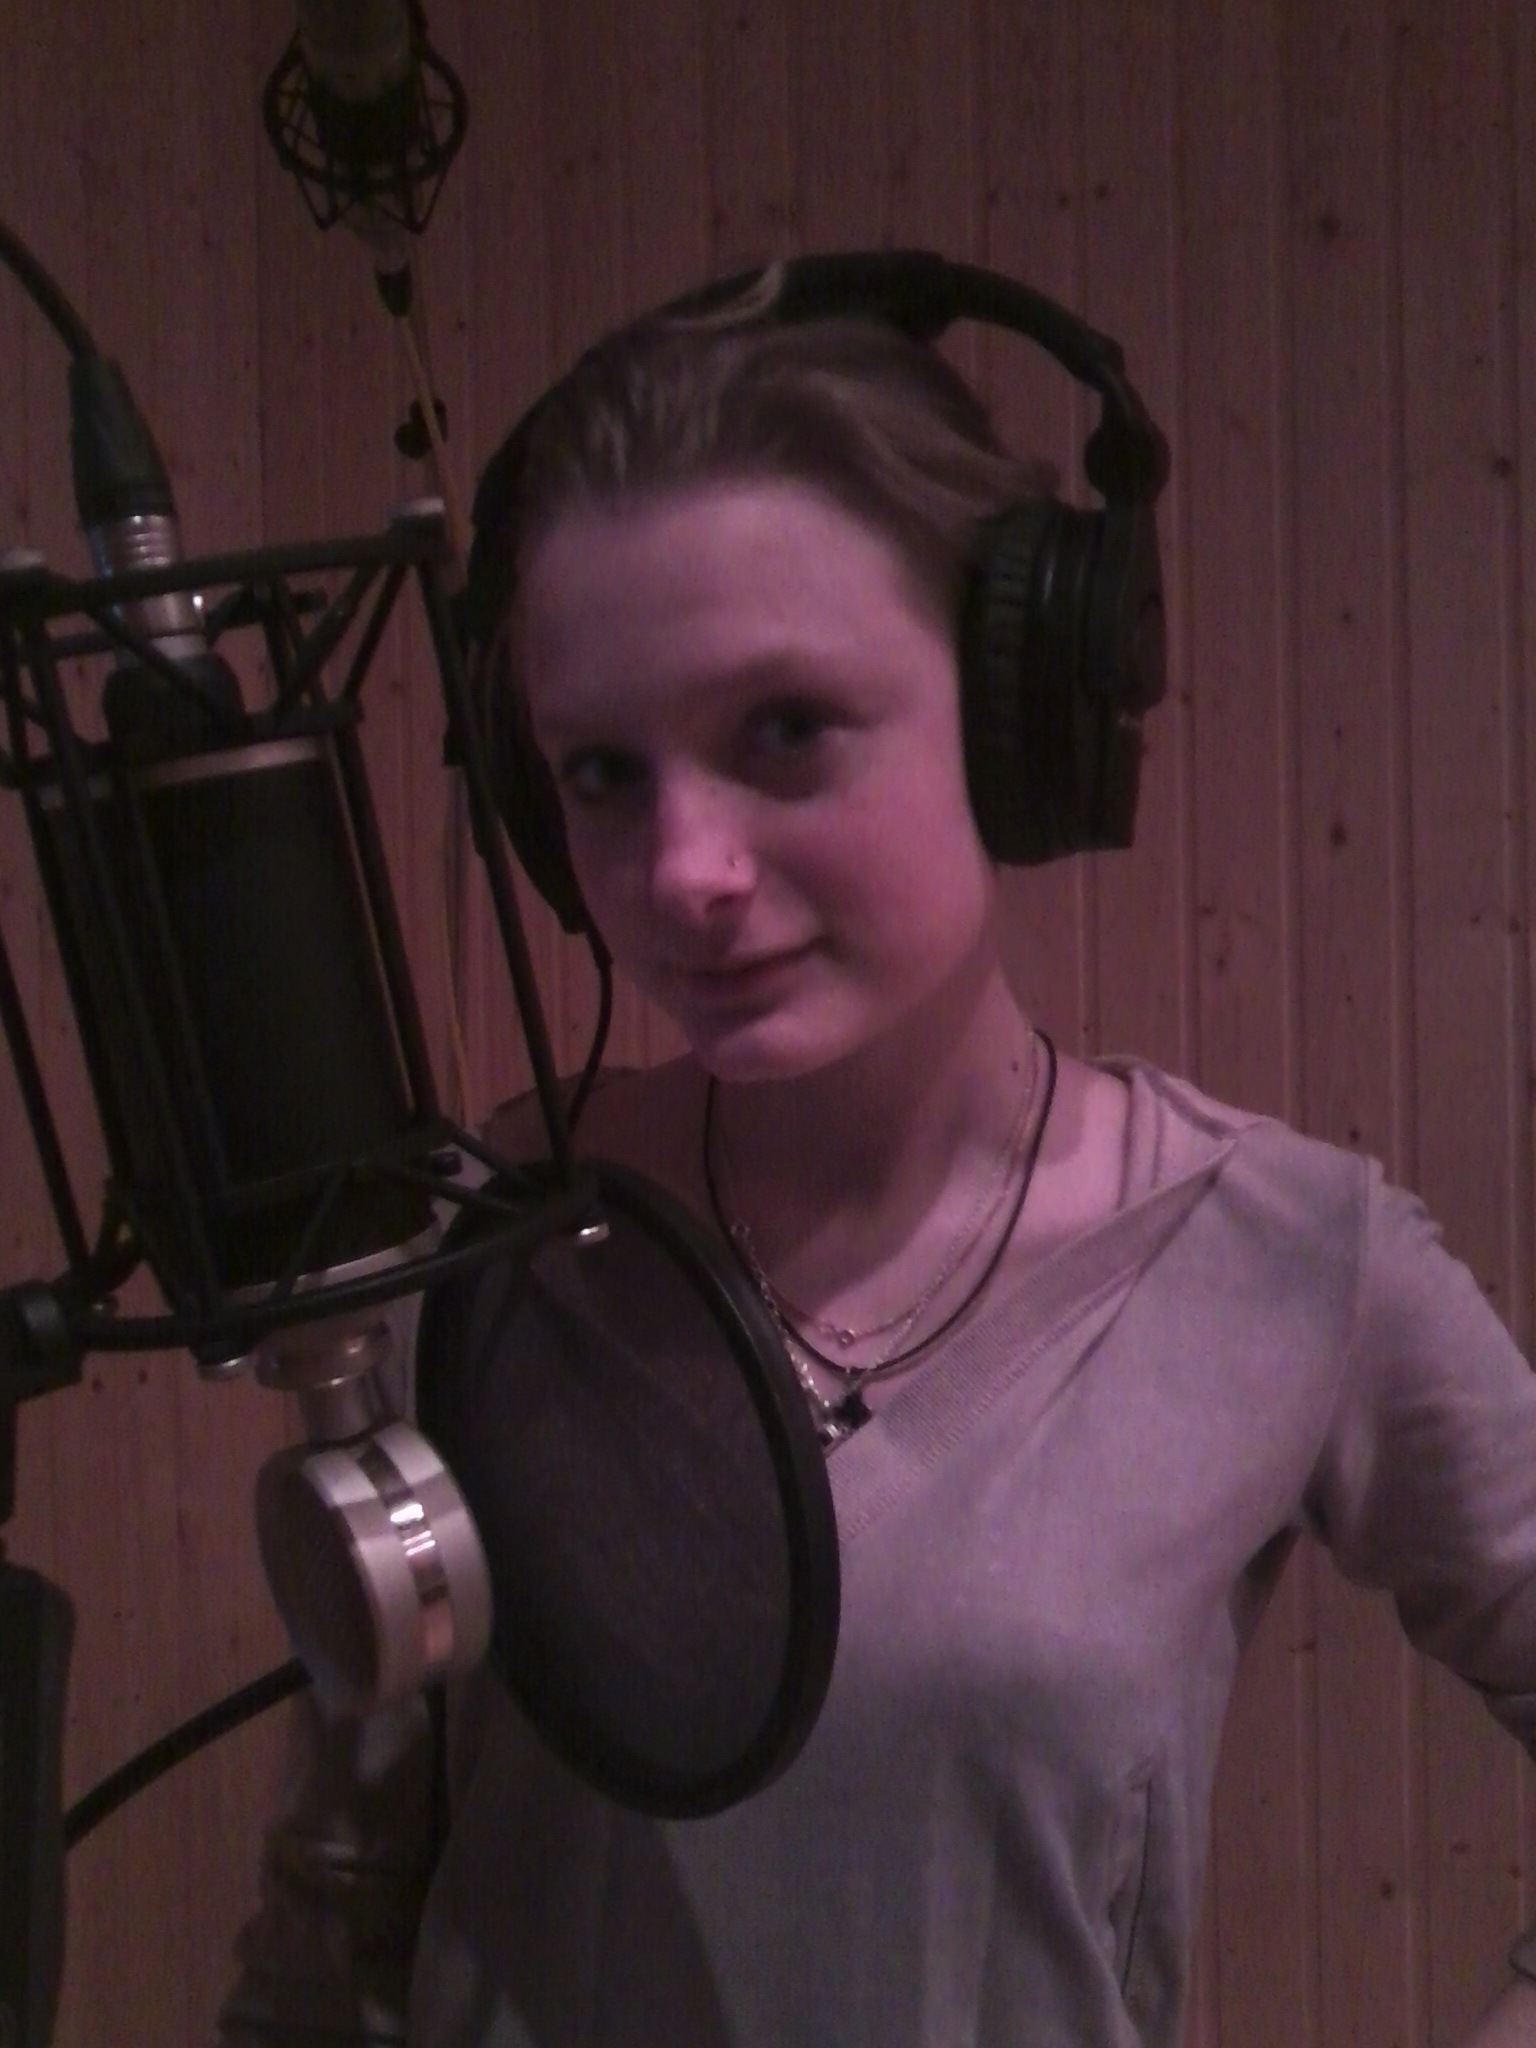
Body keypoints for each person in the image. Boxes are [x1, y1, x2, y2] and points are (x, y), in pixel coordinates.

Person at [225, 279, 1536, 2048]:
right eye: (602, 772)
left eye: (785, 731)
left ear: (1015, 717)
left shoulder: (1289, 1257)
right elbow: (333, 1908)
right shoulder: (488, 1242)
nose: (682, 870)